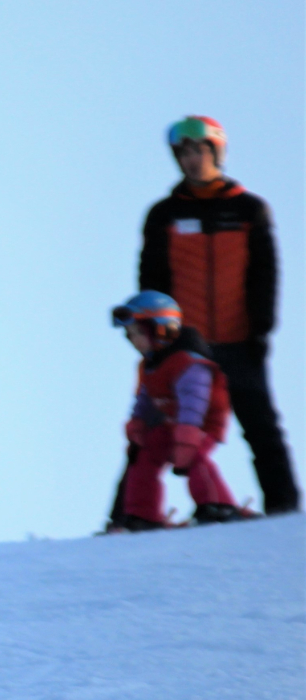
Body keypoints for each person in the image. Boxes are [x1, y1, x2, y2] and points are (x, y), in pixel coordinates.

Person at [138, 116, 295, 515]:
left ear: (217, 152)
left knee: (261, 427)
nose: (193, 160)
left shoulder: (248, 209)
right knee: (154, 428)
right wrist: (154, 338)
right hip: (186, 346)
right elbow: (151, 282)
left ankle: (284, 510)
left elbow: (265, 275)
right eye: (184, 153)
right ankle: (132, 515)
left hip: (239, 339)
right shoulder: (164, 214)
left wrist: (260, 331)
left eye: (201, 151)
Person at [108, 291, 259, 531]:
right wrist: (138, 424)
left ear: (160, 328)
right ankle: (142, 515)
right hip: (171, 424)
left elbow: (194, 401)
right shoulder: (151, 364)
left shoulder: (190, 363)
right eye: (130, 335)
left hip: (200, 424)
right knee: (143, 455)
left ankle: (216, 504)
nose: (133, 340)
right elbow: (146, 399)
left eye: (137, 332)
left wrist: (188, 434)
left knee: (195, 457)